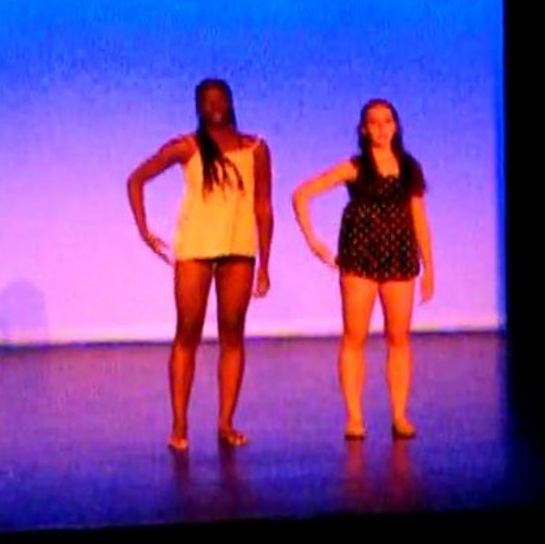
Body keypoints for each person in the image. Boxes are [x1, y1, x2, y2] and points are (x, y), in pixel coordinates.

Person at [127, 79, 273, 452]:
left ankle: (226, 423)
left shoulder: (256, 148)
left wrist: (265, 263)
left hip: (239, 248)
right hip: (195, 248)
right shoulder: (188, 146)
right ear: (198, 106)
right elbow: (136, 179)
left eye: (220, 98)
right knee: (187, 332)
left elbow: (263, 207)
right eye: (207, 100)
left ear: (231, 101)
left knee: (233, 335)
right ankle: (179, 424)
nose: (215, 105)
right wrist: (145, 231)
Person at [292, 99, 434, 440]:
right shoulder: (355, 167)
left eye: (388, 121)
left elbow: (419, 219)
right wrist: (313, 241)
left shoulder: (409, 168)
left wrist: (429, 267)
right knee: (354, 337)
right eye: (374, 122)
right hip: (360, 256)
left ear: (396, 126)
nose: (382, 128)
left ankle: (399, 414)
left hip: (399, 256)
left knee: (398, 338)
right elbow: (302, 194)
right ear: (364, 129)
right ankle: (354, 417)